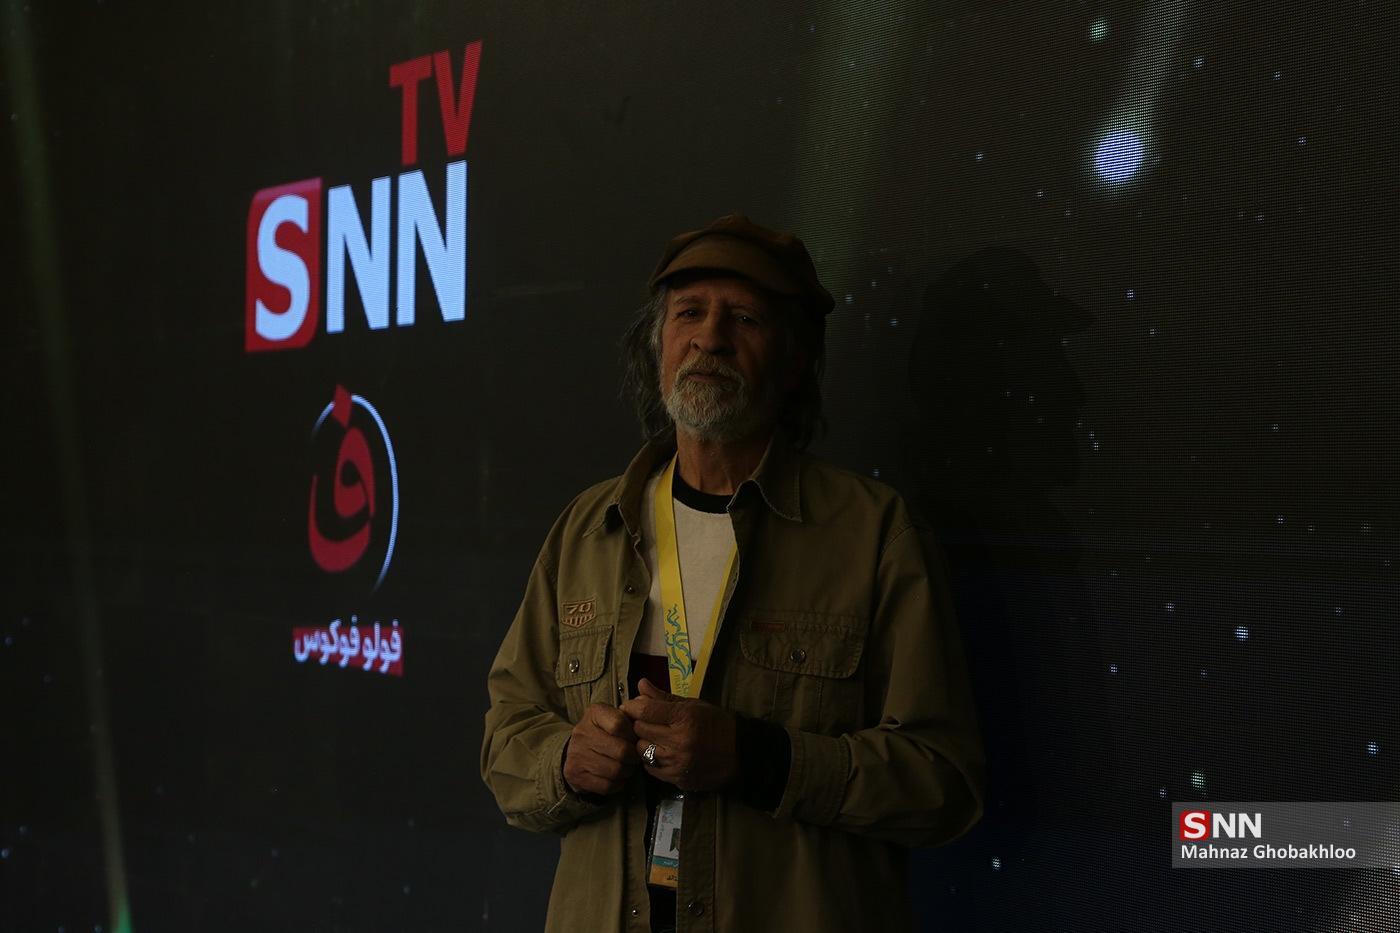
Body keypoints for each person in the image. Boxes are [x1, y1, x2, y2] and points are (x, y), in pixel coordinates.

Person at [480, 213, 986, 933]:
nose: (710, 338)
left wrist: (759, 759)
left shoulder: (874, 533)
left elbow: (943, 782)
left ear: (794, 361)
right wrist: (566, 761)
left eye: (744, 318)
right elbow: (507, 740)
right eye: (688, 313)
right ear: (658, 344)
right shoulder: (587, 530)